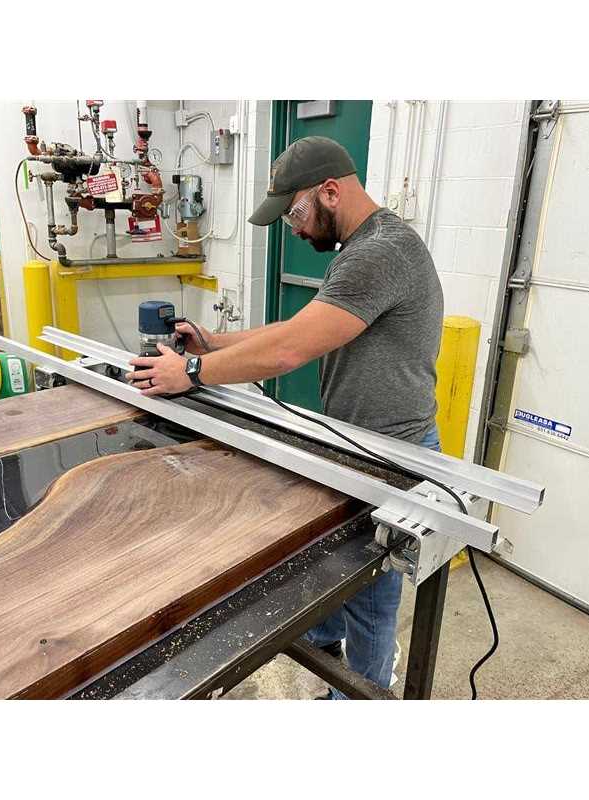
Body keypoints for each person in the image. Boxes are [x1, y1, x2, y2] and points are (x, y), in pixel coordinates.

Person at [126, 136, 444, 698]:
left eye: (295, 214)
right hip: (355, 443)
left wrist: (191, 372)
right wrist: (214, 342)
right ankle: (324, 646)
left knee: (370, 598)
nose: (293, 230)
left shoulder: (379, 253)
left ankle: (359, 698)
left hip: (389, 454)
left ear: (330, 192)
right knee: (332, 575)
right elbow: (297, 330)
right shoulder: (364, 246)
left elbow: (288, 352)